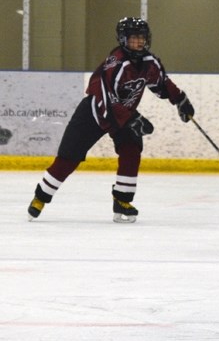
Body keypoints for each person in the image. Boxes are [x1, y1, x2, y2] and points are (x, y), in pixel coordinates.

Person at [26, 17, 195, 223]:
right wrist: (131, 117)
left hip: (123, 116)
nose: (139, 43)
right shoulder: (117, 64)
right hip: (93, 113)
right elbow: (106, 99)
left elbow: (162, 83)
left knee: (131, 149)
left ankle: (122, 201)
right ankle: (40, 198)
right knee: (68, 158)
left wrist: (180, 99)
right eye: (134, 39)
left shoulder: (150, 63)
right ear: (124, 40)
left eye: (142, 38)